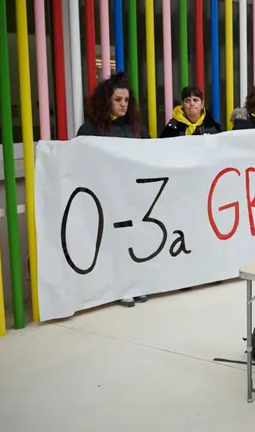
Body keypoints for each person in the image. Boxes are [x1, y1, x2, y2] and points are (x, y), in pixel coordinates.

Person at [77, 71, 149, 307]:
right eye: (118, 100)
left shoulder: (137, 126)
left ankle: (135, 283)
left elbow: (152, 154)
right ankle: (119, 287)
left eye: (126, 100)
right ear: (107, 100)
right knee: (114, 240)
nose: (123, 105)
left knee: (134, 238)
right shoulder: (90, 128)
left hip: (133, 194)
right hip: (107, 195)